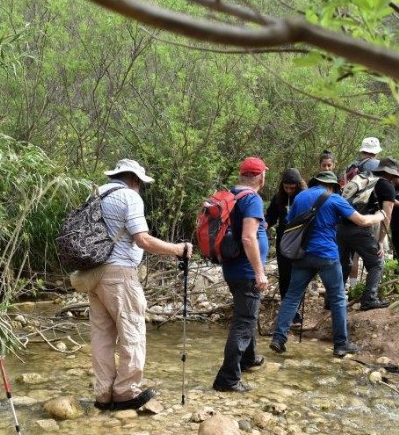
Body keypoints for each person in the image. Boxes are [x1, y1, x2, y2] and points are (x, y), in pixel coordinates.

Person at [79, 159, 192, 411]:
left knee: (102, 336)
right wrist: (178, 249)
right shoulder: (129, 197)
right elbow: (142, 240)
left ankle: (103, 393)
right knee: (132, 330)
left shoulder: (95, 194)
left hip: (92, 273)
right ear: (135, 180)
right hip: (119, 273)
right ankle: (126, 392)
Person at [269, 171, 386, 356]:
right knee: (337, 298)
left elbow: (290, 222)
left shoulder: (300, 197)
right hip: (326, 255)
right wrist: (380, 216)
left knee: (292, 296)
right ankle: (341, 344)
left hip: (301, 254)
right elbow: (362, 221)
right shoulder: (334, 199)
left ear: (315, 183)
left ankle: (278, 338)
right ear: (332, 186)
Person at [213, 157, 270, 393]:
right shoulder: (252, 199)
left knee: (247, 314)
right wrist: (260, 272)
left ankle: (248, 358)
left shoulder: (232, 195)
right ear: (260, 176)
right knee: (244, 322)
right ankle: (227, 379)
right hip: (246, 271)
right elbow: (248, 237)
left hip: (232, 268)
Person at [337, 158, 398, 310]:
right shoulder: (386, 186)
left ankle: (333, 301)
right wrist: (381, 241)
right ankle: (370, 298)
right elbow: (387, 216)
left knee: (344, 263)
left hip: (341, 225)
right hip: (359, 226)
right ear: (391, 173)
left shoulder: (364, 178)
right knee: (376, 263)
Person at [265, 168, 307, 322]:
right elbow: (271, 217)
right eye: (286, 187)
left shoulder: (304, 197)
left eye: (292, 187)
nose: (289, 190)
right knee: (284, 275)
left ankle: (295, 309)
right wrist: (263, 224)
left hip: (300, 241)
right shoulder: (278, 198)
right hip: (283, 242)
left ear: (298, 185)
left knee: (299, 275)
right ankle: (286, 307)